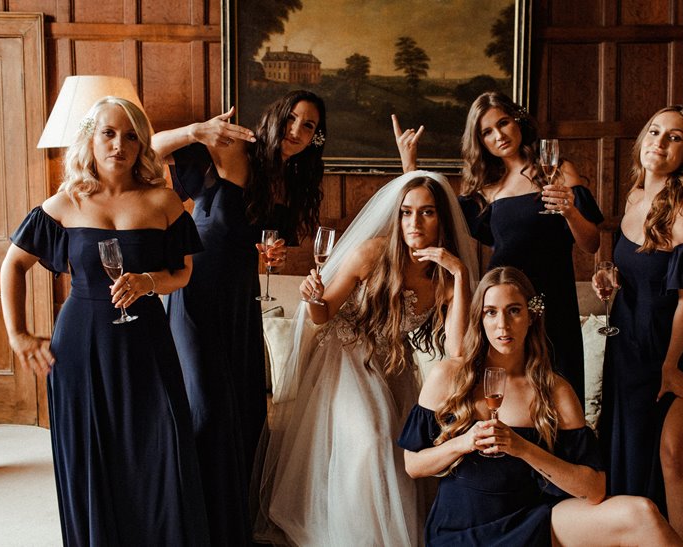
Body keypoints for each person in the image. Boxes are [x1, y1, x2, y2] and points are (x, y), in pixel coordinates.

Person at [0, 96, 209, 545]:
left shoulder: (164, 201)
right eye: (109, 133)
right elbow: (12, 265)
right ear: (90, 141)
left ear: (142, 144)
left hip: (147, 343)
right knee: (92, 457)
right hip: (80, 346)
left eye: (131, 135)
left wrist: (148, 282)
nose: (120, 144)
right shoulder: (65, 203)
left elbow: (183, 272)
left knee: (162, 447)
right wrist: (17, 334)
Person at [254, 171, 479, 546]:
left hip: (395, 366)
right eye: (406, 213)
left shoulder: (445, 276)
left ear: (442, 219)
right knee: (371, 439)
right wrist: (311, 296)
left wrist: (458, 274)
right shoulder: (371, 253)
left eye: (426, 213)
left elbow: (457, 352)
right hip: (346, 358)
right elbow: (323, 314)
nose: (414, 223)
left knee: (396, 450)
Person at [150, 89, 326, 545]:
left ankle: (233, 524)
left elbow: (267, 249)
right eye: (292, 119)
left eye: (308, 126)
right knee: (206, 412)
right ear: (277, 117)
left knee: (248, 412)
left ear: (315, 137)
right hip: (196, 294)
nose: (297, 131)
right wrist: (195, 130)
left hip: (241, 301)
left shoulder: (291, 182)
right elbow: (148, 149)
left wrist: (272, 254)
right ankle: (191, 520)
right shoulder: (232, 149)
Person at [399, 266, 683, 546]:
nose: (503, 325)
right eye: (491, 312)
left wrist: (523, 448)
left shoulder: (555, 391)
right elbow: (413, 465)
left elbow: (595, 489)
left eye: (514, 310)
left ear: (532, 316)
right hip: (459, 528)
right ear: (480, 318)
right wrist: (464, 442)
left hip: (532, 520)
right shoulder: (449, 376)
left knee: (642, 513)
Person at [393, 91, 602, 401]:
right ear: (480, 142)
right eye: (486, 132)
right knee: (504, 390)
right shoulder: (485, 188)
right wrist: (409, 166)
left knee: (560, 390)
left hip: (554, 297)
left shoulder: (559, 171)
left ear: (517, 121)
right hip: (502, 302)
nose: (498, 135)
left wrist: (570, 210)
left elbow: (592, 243)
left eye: (502, 123)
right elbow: (433, 214)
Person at [594, 105, 683, 546]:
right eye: (654, 131)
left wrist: (670, 364)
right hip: (628, 344)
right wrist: (611, 272)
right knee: (632, 446)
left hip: (674, 352)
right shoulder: (632, 196)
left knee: (674, 454)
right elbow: (638, 267)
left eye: (675, 137)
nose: (659, 143)